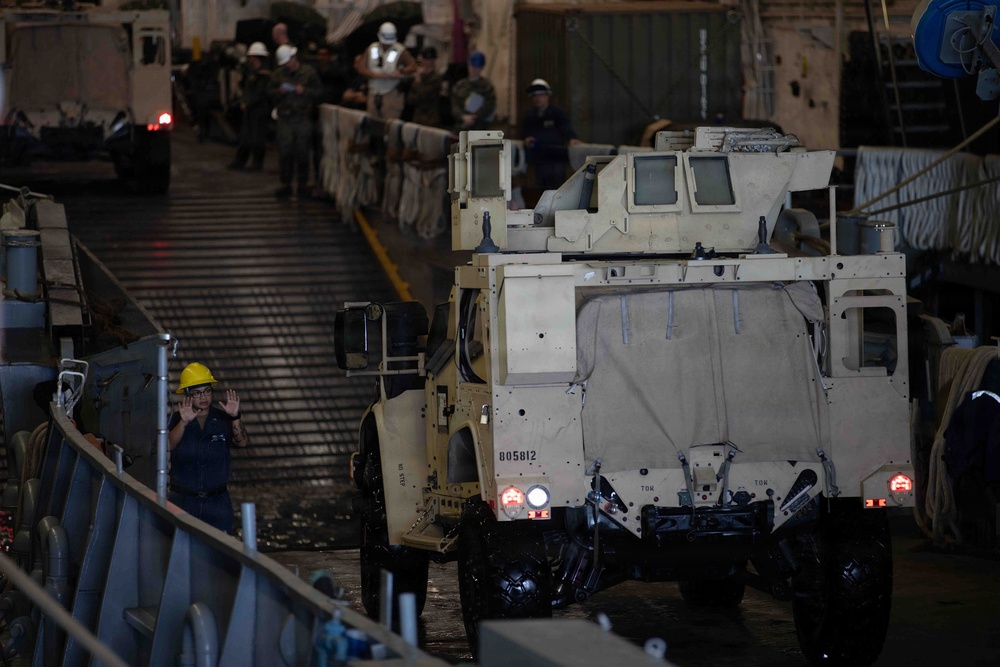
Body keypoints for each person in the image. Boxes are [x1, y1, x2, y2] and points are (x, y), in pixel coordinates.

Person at [168, 363, 248, 534]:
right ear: (188, 394)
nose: (203, 397)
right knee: (181, 549)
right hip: (184, 500)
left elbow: (242, 442)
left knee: (219, 554)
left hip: (217, 502)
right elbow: (168, 446)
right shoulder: (177, 419)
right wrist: (183, 423)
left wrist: (235, 416)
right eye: (197, 393)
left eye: (207, 391)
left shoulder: (222, 418)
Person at [268, 44, 321, 199]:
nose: (286, 66)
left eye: (287, 62)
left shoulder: (309, 72)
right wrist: (279, 91)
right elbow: (269, 92)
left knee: (303, 152)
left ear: (293, 57)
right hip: (285, 118)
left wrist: (305, 91)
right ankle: (286, 184)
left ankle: (302, 184)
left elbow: (319, 92)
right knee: (285, 152)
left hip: (303, 117)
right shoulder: (278, 74)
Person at [521, 78, 581, 189]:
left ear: (547, 96)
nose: (537, 98)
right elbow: (525, 132)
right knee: (542, 186)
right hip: (540, 157)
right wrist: (526, 138)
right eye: (534, 95)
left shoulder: (556, 113)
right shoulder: (530, 115)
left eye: (541, 95)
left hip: (557, 157)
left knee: (558, 186)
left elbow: (566, 127)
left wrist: (572, 138)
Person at [355, 22, 416, 120]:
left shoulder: (400, 50)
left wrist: (401, 71)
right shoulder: (372, 48)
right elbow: (360, 68)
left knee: (390, 124)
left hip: (391, 91)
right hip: (374, 90)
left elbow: (413, 66)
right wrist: (374, 75)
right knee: (373, 123)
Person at [229, 42, 271, 171]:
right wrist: (243, 101)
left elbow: (260, 92)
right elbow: (246, 88)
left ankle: (257, 164)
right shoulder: (251, 71)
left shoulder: (264, 73)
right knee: (246, 136)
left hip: (259, 108)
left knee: (258, 138)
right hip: (250, 108)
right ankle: (240, 162)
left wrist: (247, 102)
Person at [450, 51, 496, 132]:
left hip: (479, 128)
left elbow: (489, 106)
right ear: (468, 65)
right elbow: (454, 105)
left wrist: (473, 118)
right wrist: (462, 117)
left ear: (482, 68)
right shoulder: (460, 85)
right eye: (472, 66)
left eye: (477, 67)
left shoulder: (487, 87)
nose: (474, 69)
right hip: (460, 127)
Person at [406, 46, 444, 127]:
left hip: (430, 119)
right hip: (417, 117)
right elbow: (410, 98)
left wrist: (418, 82)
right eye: (425, 59)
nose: (426, 62)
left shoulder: (436, 78)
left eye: (429, 60)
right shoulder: (419, 76)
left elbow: (424, 94)